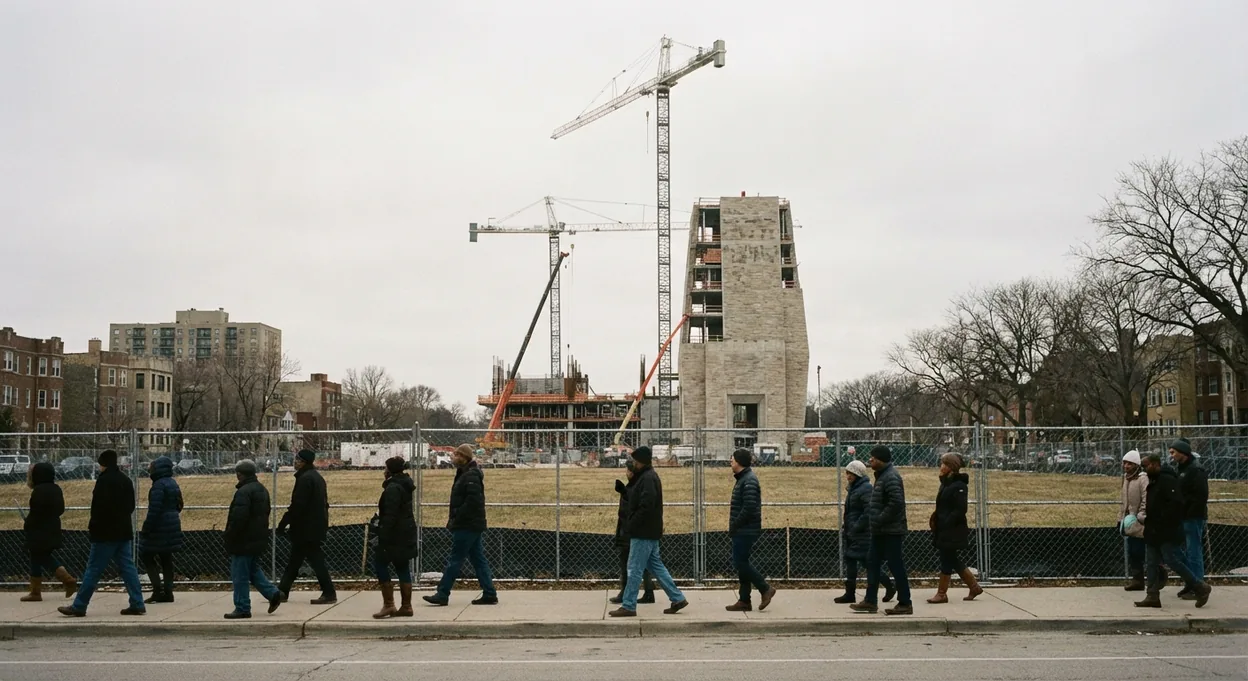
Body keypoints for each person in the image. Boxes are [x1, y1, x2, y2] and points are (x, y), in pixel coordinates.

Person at [57, 450, 146, 617]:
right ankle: (137, 602)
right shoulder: (125, 480)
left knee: (93, 569)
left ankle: (79, 605)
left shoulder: (103, 481)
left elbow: (97, 509)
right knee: (128, 568)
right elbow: (130, 507)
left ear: (103, 463)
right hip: (123, 531)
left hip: (104, 533)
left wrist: (94, 527)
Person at [608, 446, 689, 617]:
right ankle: (677, 598)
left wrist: (632, 524)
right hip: (649, 530)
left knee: (634, 568)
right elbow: (639, 500)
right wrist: (624, 491)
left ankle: (629, 605)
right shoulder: (646, 477)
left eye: (635, 461)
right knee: (656, 566)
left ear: (641, 461)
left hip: (643, 531)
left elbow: (646, 505)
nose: (633, 464)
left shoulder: (647, 478)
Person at [424, 444, 498, 606]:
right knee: (478, 560)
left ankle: (442, 593)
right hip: (470, 524)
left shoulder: (470, 475)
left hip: (467, 525)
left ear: (464, 457)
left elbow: (473, 501)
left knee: (455, 560)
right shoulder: (465, 473)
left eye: (456, 454)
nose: (453, 457)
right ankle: (489, 592)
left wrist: (457, 517)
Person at [1135, 453, 1212, 609]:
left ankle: (1200, 587)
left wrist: (1162, 522)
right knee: (1151, 562)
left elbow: (1175, 505)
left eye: (1146, 466)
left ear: (1156, 464)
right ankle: (1152, 595)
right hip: (1153, 530)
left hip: (1165, 531)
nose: (1144, 470)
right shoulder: (1154, 481)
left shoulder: (1167, 480)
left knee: (1172, 560)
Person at [850, 445, 913, 615]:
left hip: (891, 531)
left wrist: (879, 519)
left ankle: (905, 603)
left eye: (873, 457)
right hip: (880, 531)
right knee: (872, 562)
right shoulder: (882, 476)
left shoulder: (891, 477)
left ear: (881, 460)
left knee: (896, 565)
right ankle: (870, 601)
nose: (870, 460)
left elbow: (896, 502)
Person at [223, 459, 283, 619]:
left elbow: (239, 519)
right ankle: (273, 594)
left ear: (239, 474)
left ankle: (242, 607)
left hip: (243, 540)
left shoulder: (243, 492)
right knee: (253, 570)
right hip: (259, 537)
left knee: (239, 575)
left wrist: (230, 535)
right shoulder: (261, 489)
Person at [276, 449, 336, 604]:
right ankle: (282, 592)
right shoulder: (316, 478)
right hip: (314, 526)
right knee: (295, 561)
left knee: (315, 561)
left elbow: (298, 505)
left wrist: (283, 523)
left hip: (306, 528)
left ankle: (329, 592)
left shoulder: (305, 479)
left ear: (302, 462)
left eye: (297, 459)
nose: (294, 462)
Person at [834, 459, 894, 605]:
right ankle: (850, 593)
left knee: (867, 563)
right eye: (847, 473)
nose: (848, 476)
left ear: (858, 474)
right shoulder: (854, 488)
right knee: (851, 560)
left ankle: (889, 586)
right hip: (853, 532)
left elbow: (868, 511)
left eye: (851, 473)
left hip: (863, 533)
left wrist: (855, 526)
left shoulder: (866, 489)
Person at [725, 448, 777, 612]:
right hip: (743, 529)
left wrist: (735, 524)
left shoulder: (749, 481)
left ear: (739, 462)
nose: (730, 462)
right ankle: (744, 600)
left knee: (740, 562)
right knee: (742, 563)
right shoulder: (744, 479)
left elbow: (749, 508)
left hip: (745, 529)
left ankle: (765, 588)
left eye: (732, 459)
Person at [927, 453, 982, 603]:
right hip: (944, 528)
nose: (941, 466)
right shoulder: (946, 483)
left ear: (951, 467)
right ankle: (974, 586)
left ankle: (942, 593)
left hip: (953, 529)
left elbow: (960, 509)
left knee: (947, 559)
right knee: (952, 559)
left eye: (944, 464)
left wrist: (945, 522)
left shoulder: (959, 485)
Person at [21, 462, 77, 602]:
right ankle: (35, 592)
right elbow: (60, 509)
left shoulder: (38, 490)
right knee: (37, 556)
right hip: (53, 527)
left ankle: (66, 579)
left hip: (38, 529)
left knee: (42, 556)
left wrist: (28, 523)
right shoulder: (56, 489)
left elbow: (35, 513)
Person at [372, 456, 418, 618]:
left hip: (393, 536)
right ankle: (406, 606)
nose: (384, 471)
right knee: (402, 566)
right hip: (405, 533)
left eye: (385, 468)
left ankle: (389, 604)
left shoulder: (392, 488)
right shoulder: (405, 485)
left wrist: (382, 535)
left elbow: (390, 515)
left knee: (380, 564)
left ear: (390, 470)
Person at [138, 455, 184, 604]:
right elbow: (179, 504)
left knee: (147, 555)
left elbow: (154, 510)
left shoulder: (158, 485)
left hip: (159, 527)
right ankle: (168, 592)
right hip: (172, 524)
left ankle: (157, 590)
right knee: (166, 558)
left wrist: (146, 528)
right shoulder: (173, 483)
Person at [610, 460, 655, 605]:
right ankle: (648, 592)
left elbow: (628, 510)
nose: (626, 473)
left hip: (629, 531)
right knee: (646, 562)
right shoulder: (641, 484)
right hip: (640, 530)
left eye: (627, 470)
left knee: (627, 562)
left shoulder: (633, 487)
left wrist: (624, 492)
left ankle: (625, 593)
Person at [1168, 439, 1208, 598]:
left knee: (1194, 552)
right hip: (1181, 517)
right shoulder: (1181, 469)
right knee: (1179, 550)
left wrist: (1189, 513)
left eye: (1173, 452)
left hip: (1193, 517)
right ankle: (1190, 582)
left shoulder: (1196, 470)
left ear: (1182, 452)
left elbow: (1200, 496)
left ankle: (1198, 585)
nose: (1171, 455)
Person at [1119, 450, 1148, 591]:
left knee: (1141, 550)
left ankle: (1156, 577)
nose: (1126, 466)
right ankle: (1137, 580)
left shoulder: (1142, 478)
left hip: (1140, 521)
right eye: (1124, 463)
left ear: (1136, 465)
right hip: (1129, 522)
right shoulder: (1126, 478)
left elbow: (1146, 498)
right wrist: (1121, 518)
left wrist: (1141, 515)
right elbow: (1124, 502)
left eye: (1129, 463)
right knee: (1132, 551)